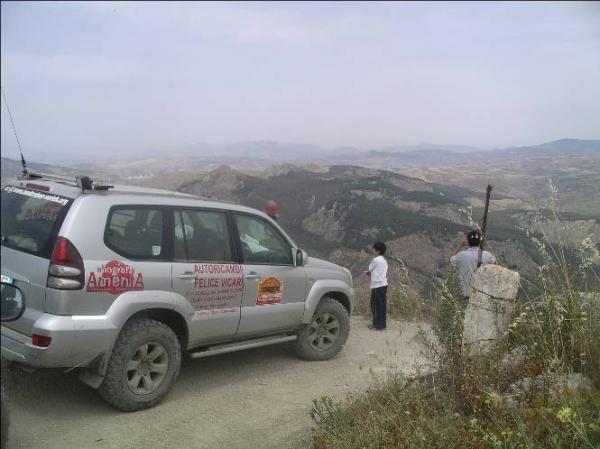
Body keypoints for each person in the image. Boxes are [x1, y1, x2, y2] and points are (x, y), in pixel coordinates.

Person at [450, 230, 497, 300]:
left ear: (468, 242)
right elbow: (497, 266)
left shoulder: (462, 255)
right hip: (482, 296)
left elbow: (451, 260)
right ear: (480, 242)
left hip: (466, 295)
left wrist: (460, 245)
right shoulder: (487, 255)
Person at [366, 241, 388, 330]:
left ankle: (377, 325)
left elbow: (369, 270)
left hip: (377, 286)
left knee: (375, 305)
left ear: (377, 251)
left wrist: (367, 273)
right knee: (382, 305)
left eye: (374, 249)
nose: (372, 250)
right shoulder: (384, 261)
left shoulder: (375, 260)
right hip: (384, 285)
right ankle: (382, 324)